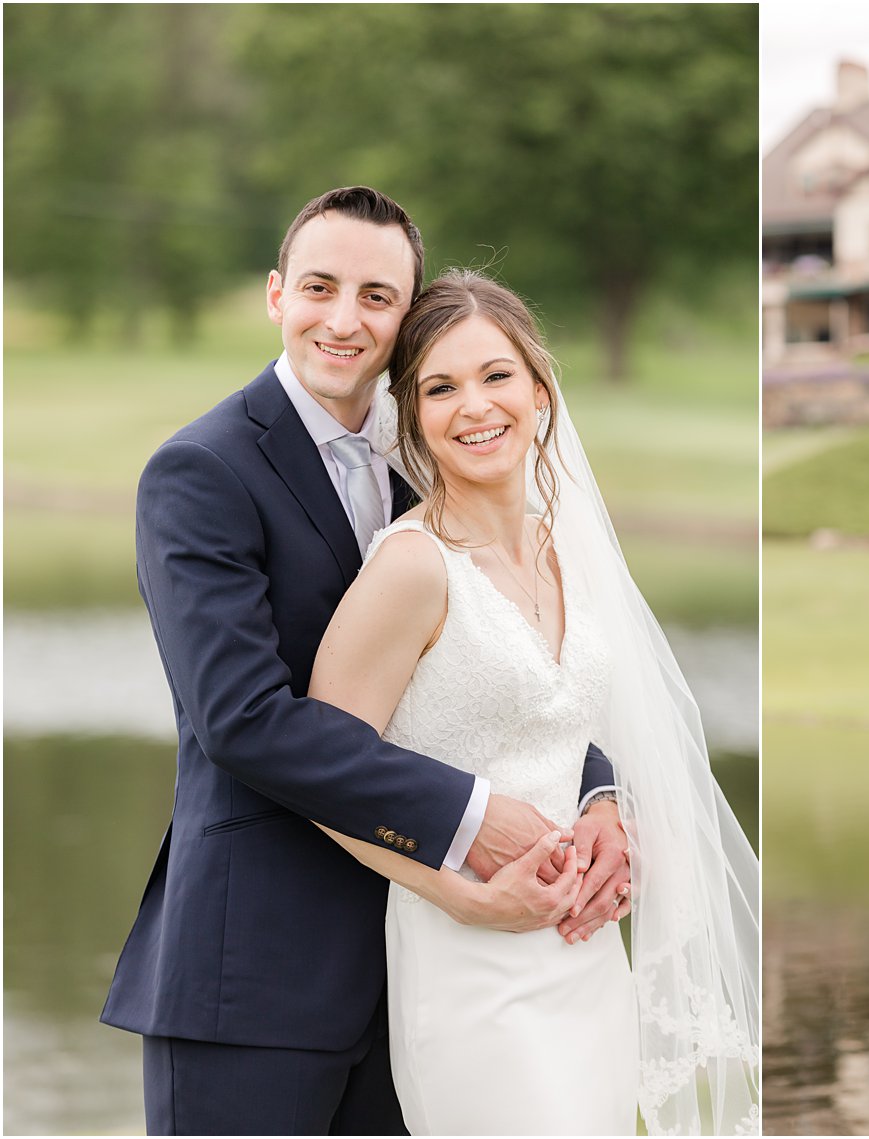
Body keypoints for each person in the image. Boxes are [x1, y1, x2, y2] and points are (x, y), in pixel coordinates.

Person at [101, 187, 629, 1135]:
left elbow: (494, 675)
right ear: (276, 295)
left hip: (420, 976)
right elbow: (242, 718)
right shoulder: (202, 472)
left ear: (406, 316)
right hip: (255, 974)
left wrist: (594, 794)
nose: (344, 319)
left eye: (377, 296)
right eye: (320, 286)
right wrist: (472, 820)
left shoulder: (432, 458)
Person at [306, 268, 759, 1135]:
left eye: (496, 375)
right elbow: (323, 777)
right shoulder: (411, 568)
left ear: (540, 387)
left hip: (582, 953)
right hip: (467, 957)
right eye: (440, 387)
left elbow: (586, 728)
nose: (474, 406)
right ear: (412, 414)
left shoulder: (575, 546)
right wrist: (456, 895)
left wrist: (611, 812)